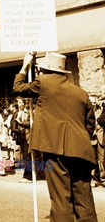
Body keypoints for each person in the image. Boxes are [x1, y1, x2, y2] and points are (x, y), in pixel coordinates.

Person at [13, 52, 97, 221]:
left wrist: (25, 66)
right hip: (81, 149)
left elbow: (18, 88)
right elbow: (90, 124)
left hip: (55, 147)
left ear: (45, 70)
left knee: (61, 197)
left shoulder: (44, 82)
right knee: (84, 197)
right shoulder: (81, 92)